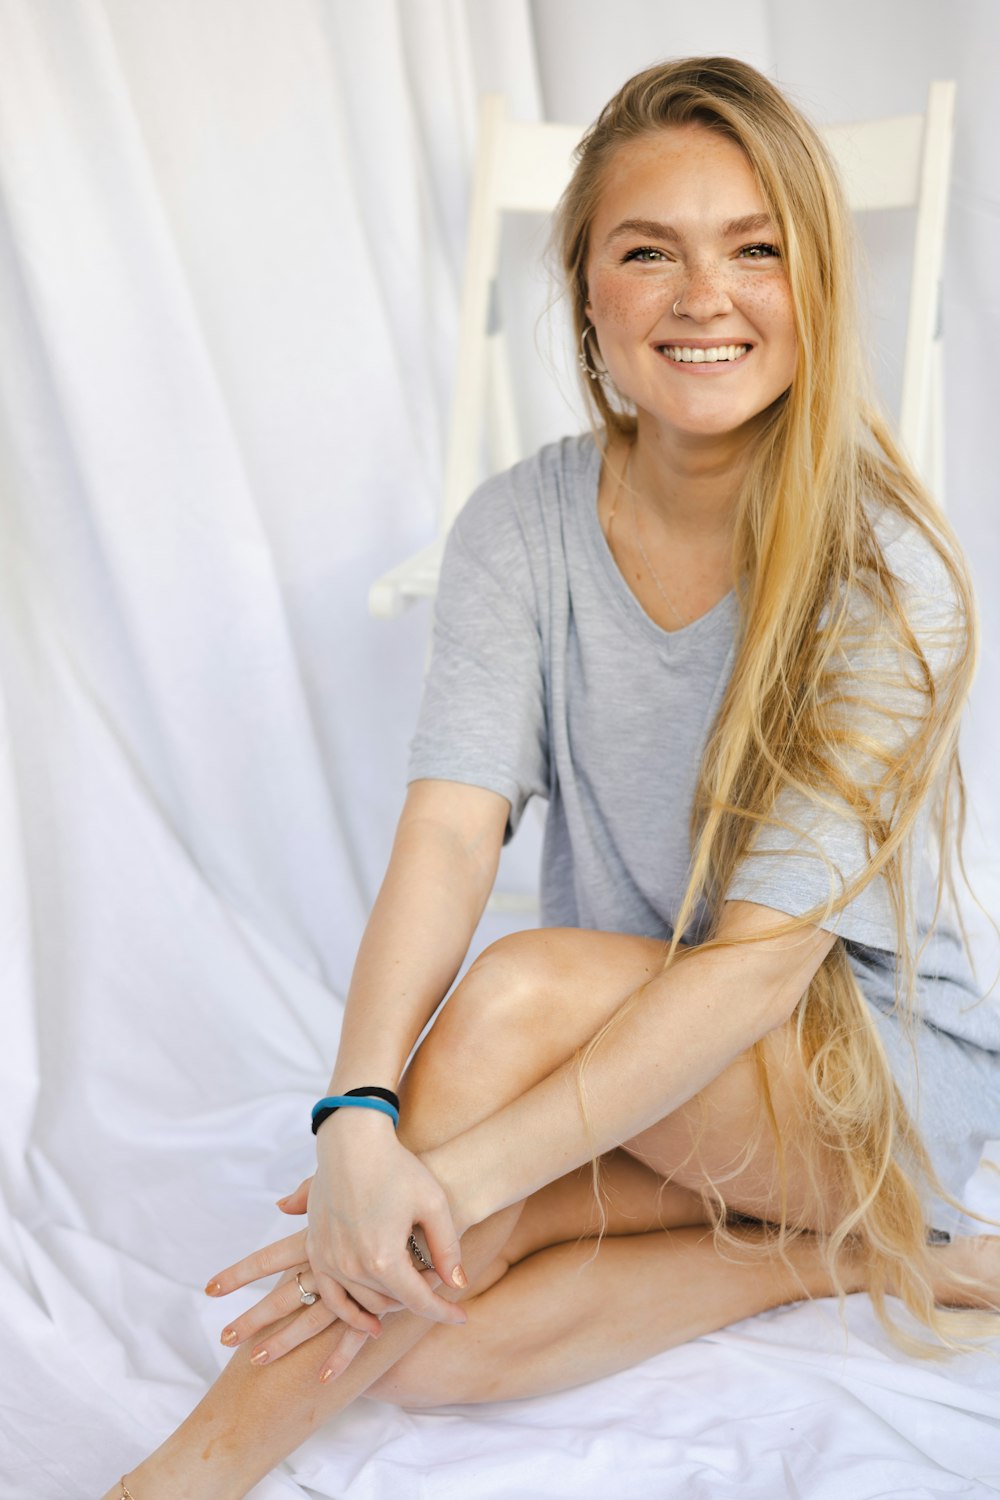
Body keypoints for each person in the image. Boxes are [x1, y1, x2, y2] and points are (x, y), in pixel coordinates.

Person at [104, 55, 1000, 1500]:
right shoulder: (520, 529)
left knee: (501, 1038)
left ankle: (174, 1482)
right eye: (649, 252)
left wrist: (448, 1174)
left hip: (867, 1089)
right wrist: (358, 1122)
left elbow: (753, 977)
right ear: (587, 291)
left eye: (755, 249)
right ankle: (810, 1267)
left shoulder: (885, 572)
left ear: (816, 283)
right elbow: (450, 838)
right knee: (441, 1337)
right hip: (653, 1071)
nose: (704, 296)